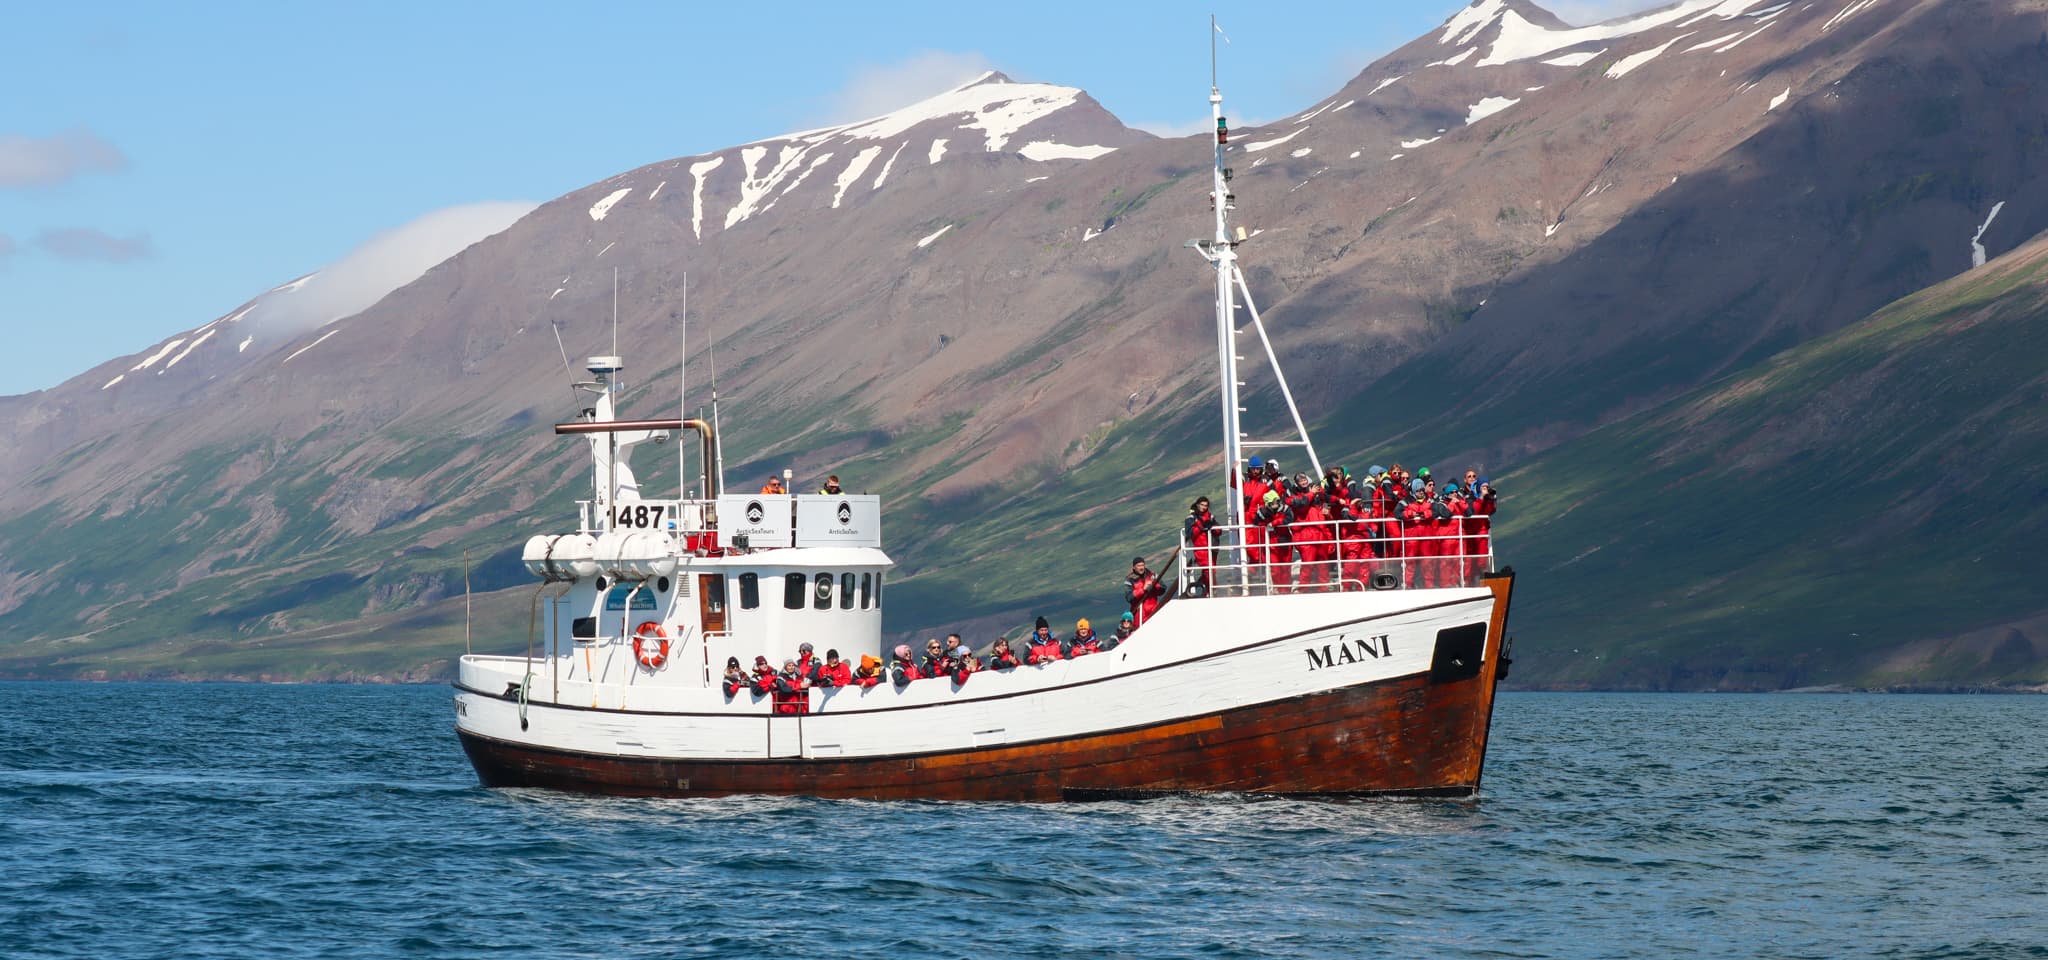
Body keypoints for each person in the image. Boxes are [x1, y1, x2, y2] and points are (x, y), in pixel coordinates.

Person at [1252, 489, 1293, 590]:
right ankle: (1278, 588)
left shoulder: (1285, 509)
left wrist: (1275, 522)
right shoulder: (1263, 512)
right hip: (1272, 543)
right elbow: (1256, 522)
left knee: (1286, 568)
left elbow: (1289, 519)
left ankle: (1285, 590)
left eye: (1277, 502)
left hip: (1285, 541)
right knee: (1275, 569)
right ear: (1268, 504)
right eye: (1273, 503)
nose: (1276, 505)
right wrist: (1263, 515)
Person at [1183, 497, 1218, 596]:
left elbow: (1219, 531)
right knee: (1208, 570)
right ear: (1197, 504)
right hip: (1200, 548)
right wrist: (1201, 526)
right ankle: (1211, 591)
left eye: (1206, 505)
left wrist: (1213, 525)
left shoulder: (1210, 516)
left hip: (1212, 548)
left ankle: (1209, 590)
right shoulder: (1191, 518)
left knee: (1212, 570)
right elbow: (1190, 533)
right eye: (1202, 505)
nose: (1203, 507)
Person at [1468, 477, 1497, 580]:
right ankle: (1470, 578)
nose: (1485, 489)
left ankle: (1482, 572)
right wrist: (1481, 498)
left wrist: (1492, 499)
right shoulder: (1474, 499)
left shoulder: (1488, 500)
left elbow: (1491, 510)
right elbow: (1475, 510)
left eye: (1486, 487)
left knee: (1482, 553)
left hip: (1482, 529)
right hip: (1472, 530)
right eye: (1483, 487)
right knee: (1470, 557)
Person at [1125, 557, 1166, 626]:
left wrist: (1155, 585)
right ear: (1134, 567)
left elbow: (1163, 589)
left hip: (1154, 612)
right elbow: (1129, 598)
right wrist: (1142, 590)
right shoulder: (1129, 580)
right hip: (1139, 616)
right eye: (1139, 566)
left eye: (1142, 565)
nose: (1141, 568)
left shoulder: (1153, 575)